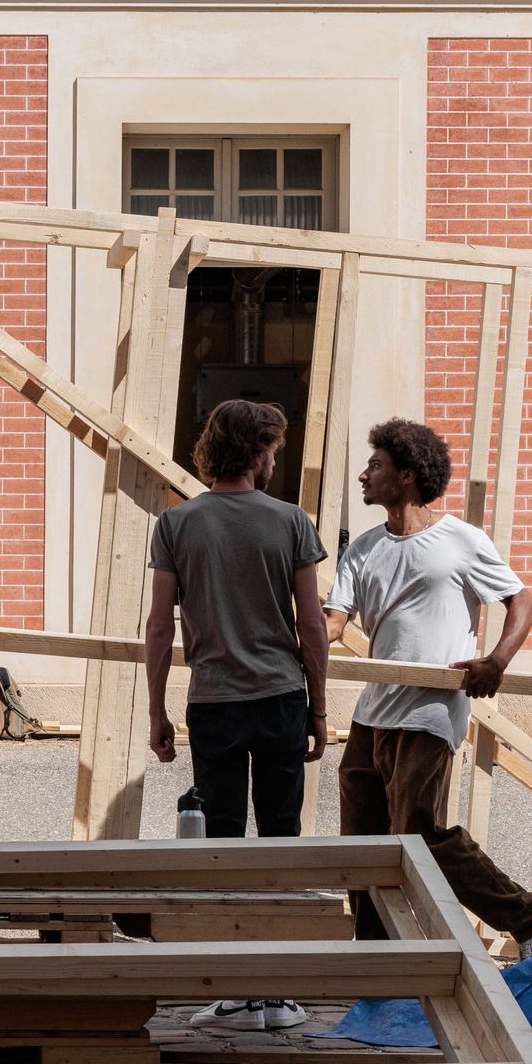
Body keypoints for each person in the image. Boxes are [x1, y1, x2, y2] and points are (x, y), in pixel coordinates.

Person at [325, 419, 532, 959]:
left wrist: (496, 661)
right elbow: (333, 624)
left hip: (431, 708)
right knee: (362, 842)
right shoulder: (362, 550)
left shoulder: (459, 540)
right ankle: (375, 959)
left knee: (420, 831)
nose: (365, 476)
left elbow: (522, 602)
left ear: (407, 476)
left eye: (376, 467)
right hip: (374, 712)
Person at [143, 398, 329, 1032]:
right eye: (273, 449)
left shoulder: (177, 524)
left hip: (214, 699)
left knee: (221, 845)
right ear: (259, 453)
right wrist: (320, 708)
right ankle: (275, 995)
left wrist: (156, 710)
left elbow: (160, 625)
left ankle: (232, 992)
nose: (276, 458)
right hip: (280, 696)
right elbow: (311, 624)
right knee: (280, 844)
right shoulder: (292, 522)